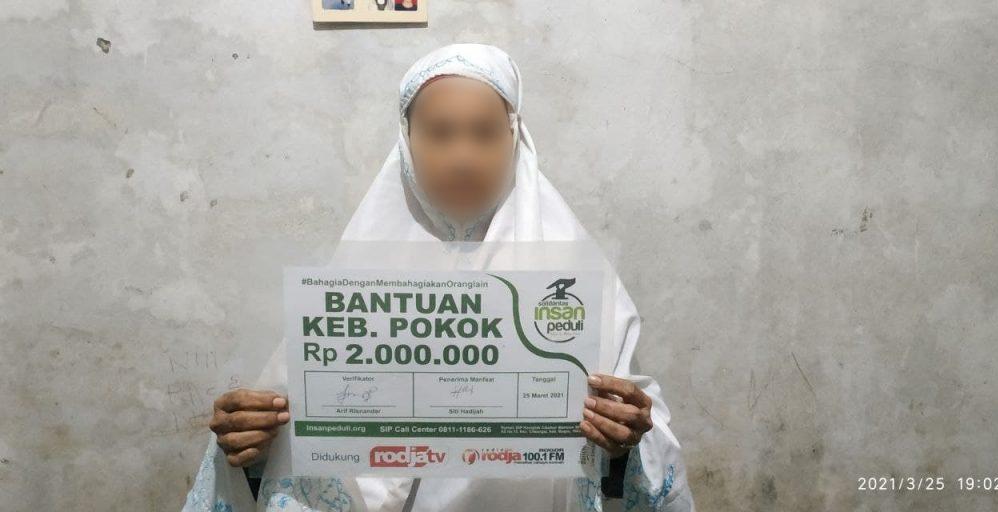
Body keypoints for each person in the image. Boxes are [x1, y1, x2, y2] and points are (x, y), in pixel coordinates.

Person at [182, 43, 695, 512]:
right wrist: (253, 441)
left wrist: (626, 441)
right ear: (407, 142)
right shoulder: (351, 286)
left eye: (484, 133)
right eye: (440, 133)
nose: (463, 158)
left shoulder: (579, 280)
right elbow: (290, 429)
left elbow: (633, 437)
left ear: (514, 139)